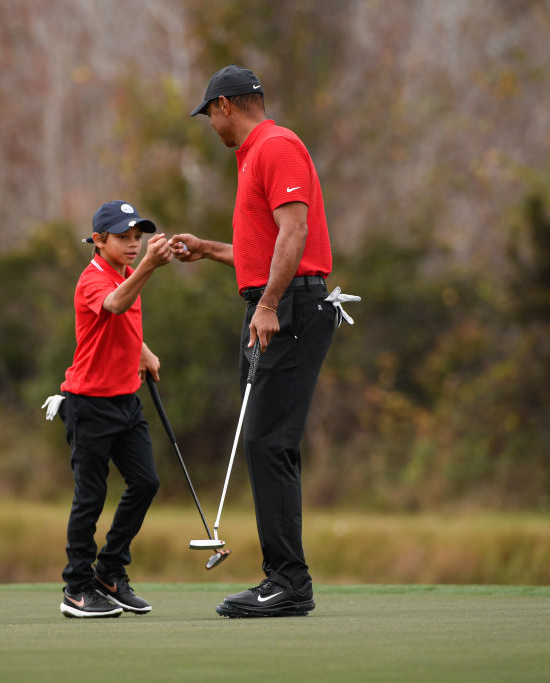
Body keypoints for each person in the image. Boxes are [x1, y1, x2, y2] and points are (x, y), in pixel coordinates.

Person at [171, 65, 346, 618]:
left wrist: (268, 305)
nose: (211, 125)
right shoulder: (252, 155)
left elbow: (295, 233)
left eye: (209, 114)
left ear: (225, 105)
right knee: (268, 443)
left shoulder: (276, 146)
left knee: (269, 443)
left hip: (289, 307)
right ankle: (287, 579)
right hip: (276, 303)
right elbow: (267, 249)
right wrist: (208, 249)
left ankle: (288, 581)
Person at [43, 200, 173, 618]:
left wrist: (143, 350)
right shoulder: (93, 279)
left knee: (146, 482)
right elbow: (114, 305)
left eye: (138, 237)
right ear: (99, 240)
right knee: (91, 497)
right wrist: (150, 265)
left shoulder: (126, 273)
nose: (133, 244)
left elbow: (123, 322)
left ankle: (109, 572)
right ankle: (76, 588)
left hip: (125, 400)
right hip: (89, 404)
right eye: (123, 237)